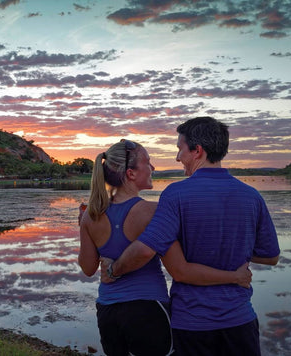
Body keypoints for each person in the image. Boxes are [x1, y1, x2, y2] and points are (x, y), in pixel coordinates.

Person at [101, 117, 280, 356]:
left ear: (198, 151)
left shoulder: (176, 195)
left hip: (192, 323)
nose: (177, 157)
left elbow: (146, 250)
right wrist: (234, 252)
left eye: (180, 149)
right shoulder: (251, 196)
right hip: (241, 322)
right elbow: (271, 257)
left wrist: (113, 270)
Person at [78, 139, 253, 356]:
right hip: (148, 310)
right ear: (131, 174)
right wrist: (234, 276)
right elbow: (180, 270)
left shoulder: (89, 216)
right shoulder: (153, 212)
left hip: (107, 312)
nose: (153, 167)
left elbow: (87, 268)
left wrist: (84, 227)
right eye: (148, 162)